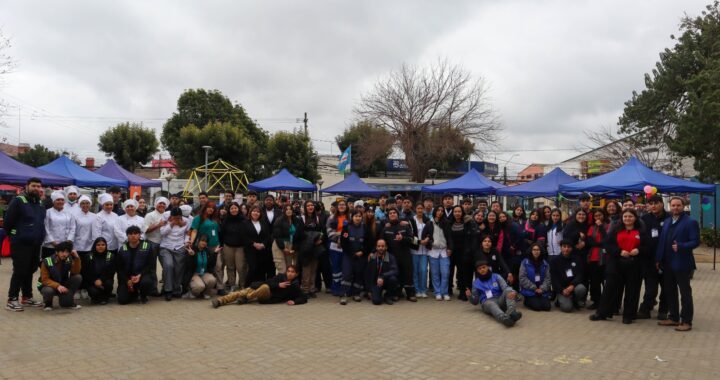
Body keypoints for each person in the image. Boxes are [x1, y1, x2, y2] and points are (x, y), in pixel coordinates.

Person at [590, 208, 647, 324]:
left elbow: (648, 246)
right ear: (622, 218)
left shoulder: (641, 231)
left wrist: (639, 250)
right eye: (625, 216)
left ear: (635, 218)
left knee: (632, 290)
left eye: (630, 216)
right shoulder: (616, 230)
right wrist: (619, 251)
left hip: (634, 265)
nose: (628, 219)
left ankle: (628, 315)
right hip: (616, 264)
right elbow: (608, 244)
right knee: (609, 289)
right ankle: (602, 313)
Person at [656, 196, 699, 332]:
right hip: (667, 263)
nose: (675, 207)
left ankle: (686, 321)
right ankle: (673, 317)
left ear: (684, 206)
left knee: (685, 293)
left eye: (678, 205)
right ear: (669, 206)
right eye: (673, 205)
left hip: (682, 263)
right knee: (670, 291)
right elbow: (662, 242)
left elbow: (695, 241)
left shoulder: (691, 222)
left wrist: (681, 246)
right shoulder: (668, 221)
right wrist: (658, 259)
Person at [5, 177, 47, 311]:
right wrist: (16, 235)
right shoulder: (19, 201)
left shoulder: (40, 203)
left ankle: (27, 296)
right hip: (20, 243)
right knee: (20, 270)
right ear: (27, 186)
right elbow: (8, 222)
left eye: (38, 186)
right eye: (33, 186)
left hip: (35, 243)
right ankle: (12, 299)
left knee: (31, 269)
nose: (36, 188)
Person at [212, 265, 307, 307]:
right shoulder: (281, 277)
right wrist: (278, 285)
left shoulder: (295, 286)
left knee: (264, 288)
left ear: (296, 274)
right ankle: (220, 301)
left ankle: (247, 297)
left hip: (268, 297)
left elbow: (303, 297)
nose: (290, 273)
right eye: (288, 271)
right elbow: (268, 282)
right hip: (260, 290)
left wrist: (294, 302)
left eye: (292, 272)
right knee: (242, 292)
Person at [467, 259, 522, 327]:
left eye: (484, 267)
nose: (482, 270)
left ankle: (511, 312)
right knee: (491, 304)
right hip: (487, 302)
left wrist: (513, 292)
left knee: (509, 291)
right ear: (477, 271)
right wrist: (469, 296)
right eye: (479, 269)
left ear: (488, 267)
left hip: (500, 299)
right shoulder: (476, 283)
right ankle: (505, 319)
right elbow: (475, 302)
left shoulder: (496, 276)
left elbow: (505, 287)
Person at [638, 194, 668, 320]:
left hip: (666, 260)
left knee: (666, 287)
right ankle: (646, 309)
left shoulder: (670, 218)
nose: (654, 206)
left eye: (656, 203)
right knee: (651, 288)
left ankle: (663, 311)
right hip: (649, 260)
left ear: (662, 203)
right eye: (651, 204)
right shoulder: (644, 218)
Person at [381, 208, 416, 302]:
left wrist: (403, 238)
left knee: (408, 274)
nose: (392, 214)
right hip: (392, 257)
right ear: (388, 216)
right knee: (395, 275)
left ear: (398, 215)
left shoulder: (404, 226)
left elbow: (412, 240)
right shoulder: (386, 228)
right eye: (390, 213)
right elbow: (382, 242)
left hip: (405, 255)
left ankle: (410, 294)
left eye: (394, 213)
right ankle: (396, 293)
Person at [189, 201, 224, 294]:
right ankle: (197, 284)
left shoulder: (215, 219)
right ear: (205, 208)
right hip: (203, 246)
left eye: (213, 208)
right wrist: (192, 241)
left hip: (215, 245)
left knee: (218, 266)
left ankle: (220, 287)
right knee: (203, 264)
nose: (211, 209)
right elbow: (194, 230)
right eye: (209, 207)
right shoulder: (198, 218)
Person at [115, 226, 156, 305]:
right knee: (122, 301)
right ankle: (133, 293)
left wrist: (139, 275)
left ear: (139, 235)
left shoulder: (147, 246)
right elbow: (119, 269)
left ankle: (143, 295)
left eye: (135, 233)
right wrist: (127, 280)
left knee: (146, 282)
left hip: (142, 276)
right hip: (128, 278)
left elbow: (150, 265)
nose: (133, 236)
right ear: (127, 236)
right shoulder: (122, 249)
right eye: (130, 234)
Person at [339, 210, 372, 304]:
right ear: (352, 217)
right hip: (348, 256)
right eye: (355, 216)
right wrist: (352, 253)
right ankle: (343, 295)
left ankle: (356, 294)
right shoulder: (346, 228)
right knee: (347, 274)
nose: (357, 218)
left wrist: (363, 252)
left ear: (362, 218)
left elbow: (369, 243)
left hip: (361, 256)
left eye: (359, 216)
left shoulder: (366, 228)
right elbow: (343, 243)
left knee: (359, 274)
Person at [38, 240, 82, 311]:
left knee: (78, 277)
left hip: (62, 285)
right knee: (48, 291)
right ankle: (48, 303)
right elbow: (45, 280)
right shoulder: (47, 261)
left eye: (67, 252)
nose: (64, 254)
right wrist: (57, 286)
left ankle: (69, 298)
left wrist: (77, 258)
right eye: (62, 252)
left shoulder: (69, 259)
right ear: (56, 252)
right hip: (48, 286)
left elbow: (75, 271)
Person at [159, 208, 190, 300]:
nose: (177, 219)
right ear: (171, 216)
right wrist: (171, 224)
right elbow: (162, 233)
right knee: (168, 265)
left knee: (178, 268)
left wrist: (186, 242)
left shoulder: (186, 221)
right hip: (166, 246)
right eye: (175, 217)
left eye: (178, 217)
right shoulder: (166, 220)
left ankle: (176, 289)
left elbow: (187, 233)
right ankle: (168, 290)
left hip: (180, 246)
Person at [550, 239, 587, 313]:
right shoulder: (555, 261)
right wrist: (562, 290)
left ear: (572, 248)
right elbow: (554, 279)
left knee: (581, 289)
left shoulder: (577, 259)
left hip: (573, 287)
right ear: (561, 247)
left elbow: (580, 275)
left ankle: (573, 300)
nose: (566, 249)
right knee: (567, 308)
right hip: (562, 289)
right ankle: (558, 300)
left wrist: (572, 285)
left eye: (569, 247)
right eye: (564, 246)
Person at [298, 201, 325, 296]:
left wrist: (320, 239)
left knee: (314, 268)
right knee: (306, 268)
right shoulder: (301, 218)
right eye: (308, 205)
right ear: (305, 207)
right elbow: (299, 233)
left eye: (312, 205)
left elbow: (322, 231)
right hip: (305, 247)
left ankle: (312, 288)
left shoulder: (317, 218)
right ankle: (305, 289)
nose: (310, 207)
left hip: (316, 247)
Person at [73, 195, 96, 299]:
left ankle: (84, 288)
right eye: (83, 203)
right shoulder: (75, 216)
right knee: (76, 269)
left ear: (90, 204)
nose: (85, 205)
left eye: (87, 203)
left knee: (87, 269)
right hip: (77, 246)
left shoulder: (94, 216)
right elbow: (72, 231)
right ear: (79, 204)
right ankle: (76, 289)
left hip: (89, 247)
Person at [220, 201, 246, 292]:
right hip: (228, 246)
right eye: (232, 208)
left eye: (235, 208)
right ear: (229, 210)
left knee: (241, 267)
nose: (234, 210)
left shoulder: (244, 220)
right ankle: (232, 284)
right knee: (230, 267)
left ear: (238, 209)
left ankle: (242, 284)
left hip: (240, 247)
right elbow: (222, 233)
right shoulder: (226, 220)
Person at [243, 205, 272, 285]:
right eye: (254, 211)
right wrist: (253, 244)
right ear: (250, 212)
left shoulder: (264, 223)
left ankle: (259, 288)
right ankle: (247, 287)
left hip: (262, 250)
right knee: (253, 268)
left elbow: (268, 236)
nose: (256, 213)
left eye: (258, 212)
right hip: (250, 250)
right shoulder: (245, 223)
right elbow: (244, 236)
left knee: (261, 270)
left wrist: (263, 244)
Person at [585, 209, 608, 309]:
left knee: (606, 281)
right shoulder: (591, 227)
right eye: (596, 216)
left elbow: (607, 239)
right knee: (595, 281)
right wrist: (599, 244)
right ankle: (596, 301)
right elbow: (589, 241)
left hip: (605, 258)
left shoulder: (608, 226)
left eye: (600, 215)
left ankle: (606, 301)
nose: (598, 217)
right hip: (593, 257)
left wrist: (600, 227)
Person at [42, 191, 75, 260]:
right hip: (50, 246)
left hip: (65, 246)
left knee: (63, 267)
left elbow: (72, 228)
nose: (60, 202)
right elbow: (45, 228)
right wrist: (53, 242)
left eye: (62, 200)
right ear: (53, 201)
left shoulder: (69, 214)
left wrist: (68, 240)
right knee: (49, 265)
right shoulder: (48, 212)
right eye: (58, 200)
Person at [428, 206, 452, 301]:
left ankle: (444, 292)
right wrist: (429, 242)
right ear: (435, 211)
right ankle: (437, 292)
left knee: (445, 272)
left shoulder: (446, 223)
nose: (440, 212)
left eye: (442, 211)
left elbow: (450, 237)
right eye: (438, 210)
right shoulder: (430, 223)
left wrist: (450, 248)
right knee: (435, 273)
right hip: (433, 251)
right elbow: (425, 235)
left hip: (444, 251)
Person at [519, 243, 552, 311]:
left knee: (547, 307)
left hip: (542, 290)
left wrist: (542, 289)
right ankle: (526, 301)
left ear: (541, 251)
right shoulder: (525, 262)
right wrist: (534, 288)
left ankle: (539, 299)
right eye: (534, 250)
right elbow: (522, 278)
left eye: (538, 250)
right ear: (531, 251)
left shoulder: (545, 263)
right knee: (537, 307)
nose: (536, 252)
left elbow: (548, 278)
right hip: (530, 290)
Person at [365, 239, 399, 305]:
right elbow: (367, 274)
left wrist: (383, 276)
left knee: (393, 279)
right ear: (376, 247)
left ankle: (388, 296)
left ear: (386, 247)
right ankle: (377, 294)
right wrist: (368, 290)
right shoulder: (372, 258)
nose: (381, 248)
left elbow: (395, 270)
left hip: (386, 281)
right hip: (376, 283)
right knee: (376, 301)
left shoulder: (391, 257)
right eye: (379, 246)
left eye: (383, 246)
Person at [326, 200, 349, 296]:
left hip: (347, 246)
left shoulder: (350, 217)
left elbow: (351, 230)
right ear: (337, 207)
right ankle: (336, 287)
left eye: (343, 205)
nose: (342, 206)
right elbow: (329, 232)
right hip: (334, 246)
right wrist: (339, 238)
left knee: (345, 267)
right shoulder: (331, 218)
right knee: (336, 267)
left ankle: (344, 288)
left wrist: (342, 237)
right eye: (340, 205)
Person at [409, 203, 432, 298]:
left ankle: (423, 289)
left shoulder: (427, 220)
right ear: (415, 209)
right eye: (418, 208)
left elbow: (431, 232)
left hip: (425, 250)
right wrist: (419, 241)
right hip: (415, 249)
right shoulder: (411, 220)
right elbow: (410, 235)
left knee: (423, 270)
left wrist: (427, 239)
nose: (420, 210)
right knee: (415, 270)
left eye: (421, 208)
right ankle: (417, 289)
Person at [82, 237, 115, 305]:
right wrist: (94, 281)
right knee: (94, 292)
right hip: (92, 282)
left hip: (105, 281)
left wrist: (101, 280)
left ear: (106, 246)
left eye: (103, 245)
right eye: (98, 245)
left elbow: (111, 272)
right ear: (95, 246)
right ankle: (95, 297)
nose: (101, 247)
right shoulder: (88, 256)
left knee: (108, 283)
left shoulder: (111, 256)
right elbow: (85, 272)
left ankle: (105, 297)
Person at [447, 206, 470, 300]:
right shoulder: (449, 223)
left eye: (459, 211)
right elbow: (447, 237)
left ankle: (462, 291)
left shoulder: (467, 223)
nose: (457, 213)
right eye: (455, 211)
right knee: (449, 271)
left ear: (462, 213)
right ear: (453, 213)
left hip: (463, 251)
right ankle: (448, 289)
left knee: (462, 272)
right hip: (451, 251)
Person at [185, 234, 218, 299]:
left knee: (212, 280)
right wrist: (191, 256)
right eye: (202, 240)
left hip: (204, 273)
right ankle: (193, 292)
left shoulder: (207, 251)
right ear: (198, 241)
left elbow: (211, 264)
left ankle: (205, 293)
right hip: (194, 274)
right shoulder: (192, 249)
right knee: (199, 286)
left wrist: (215, 254)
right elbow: (188, 266)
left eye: (206, 241)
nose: (204, 243)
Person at [272, 205, 302, 275]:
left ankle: (288, 284)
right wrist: (283, 247)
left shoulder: (296, 220)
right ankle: (281, 284)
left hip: (291, 244)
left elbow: (299, 234)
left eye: (290, 209)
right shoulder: (279, 220)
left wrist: (295, 247)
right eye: (287, 209)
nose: (289, 211)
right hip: (279, 244)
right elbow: (277, 236)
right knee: (282, 268)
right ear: (284, 211)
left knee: (289, 268)